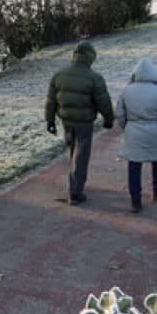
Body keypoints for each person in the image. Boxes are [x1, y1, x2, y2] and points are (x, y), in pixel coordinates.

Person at [44, 41, 115, 204]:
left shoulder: (59, 75)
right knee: (81, 155)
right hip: (84, 122)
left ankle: (74, 184)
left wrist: (50, 120)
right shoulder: (95, 78)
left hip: (67, 121)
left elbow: (51, 100)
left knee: (72, 151)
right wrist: (109, 119)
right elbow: (103, 102)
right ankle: (75, 192)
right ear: (90, 58)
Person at [114, 57, 157, 213]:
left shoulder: (126, 90)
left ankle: (135, 200)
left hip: (133, 131)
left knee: (134, 165)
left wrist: (127, 128)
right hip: (154, 131)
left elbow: (120, 114)